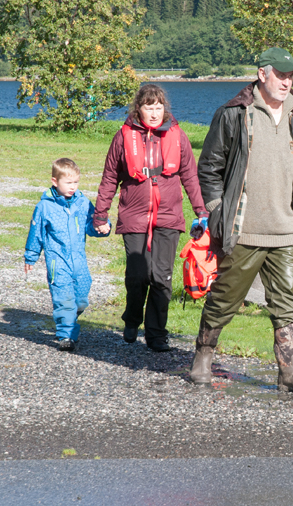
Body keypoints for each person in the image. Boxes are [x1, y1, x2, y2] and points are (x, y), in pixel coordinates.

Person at [189, 47, 293, 394]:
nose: (287, 82)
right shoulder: (234, 113)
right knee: (224, 299)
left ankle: (289, 373)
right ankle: (202, 357)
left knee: (289, 305)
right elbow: (209, 167)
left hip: (287, 231)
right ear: (262, 74)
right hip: (243, 231)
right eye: (281, 75)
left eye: (291, 76)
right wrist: (217, 209)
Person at [92, 84, 208, 352]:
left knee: (161, 277)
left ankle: (156, 334)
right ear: (138, 109)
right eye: (148, 107)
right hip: (134, 215)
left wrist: (201, 211)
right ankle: (132, 318)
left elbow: (190, 176)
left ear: (164, 108)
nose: (154, 113)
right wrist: (101, 214)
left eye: (158, 107)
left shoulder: (178, 135)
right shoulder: (123, 136)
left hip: (168, 216)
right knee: (138, 275)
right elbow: (109, 178)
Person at [25, 158, 110, 352]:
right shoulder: (44, 207)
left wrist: (102, 227)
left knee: (81, 299)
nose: (73, 187)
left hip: (79, 261)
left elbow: (91, 224)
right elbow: (36, 233)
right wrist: (31, 255)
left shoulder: (82, 202)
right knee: (63, 298)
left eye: (76, 182)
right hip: (57, 261)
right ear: (55, 181)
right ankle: (66, 335)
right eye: (68, 182)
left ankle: (70, 318)